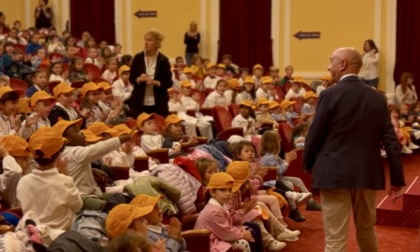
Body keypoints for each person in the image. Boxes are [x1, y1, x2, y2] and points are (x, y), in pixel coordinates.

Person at [303, 47, 405, 252]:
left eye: (331, 61)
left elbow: (315, 134)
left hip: (333, 174)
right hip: (366, 173)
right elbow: (390, 140)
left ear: (342, 64)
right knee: (366, 232)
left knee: (335, 240)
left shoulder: (329, 94)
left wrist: (307, 163)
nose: (328, 66)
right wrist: (397, 178)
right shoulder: (377, 97)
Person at [129, 29, 173, 118]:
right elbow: (131, 78)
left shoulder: (163, 60)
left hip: (158, 102)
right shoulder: (138, 58)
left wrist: (155, 82)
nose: (146, 43)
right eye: (145, 40)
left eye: (149, 40)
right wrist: (139, 79)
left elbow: (169, 83)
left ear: (157, 43)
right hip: (139, 102)